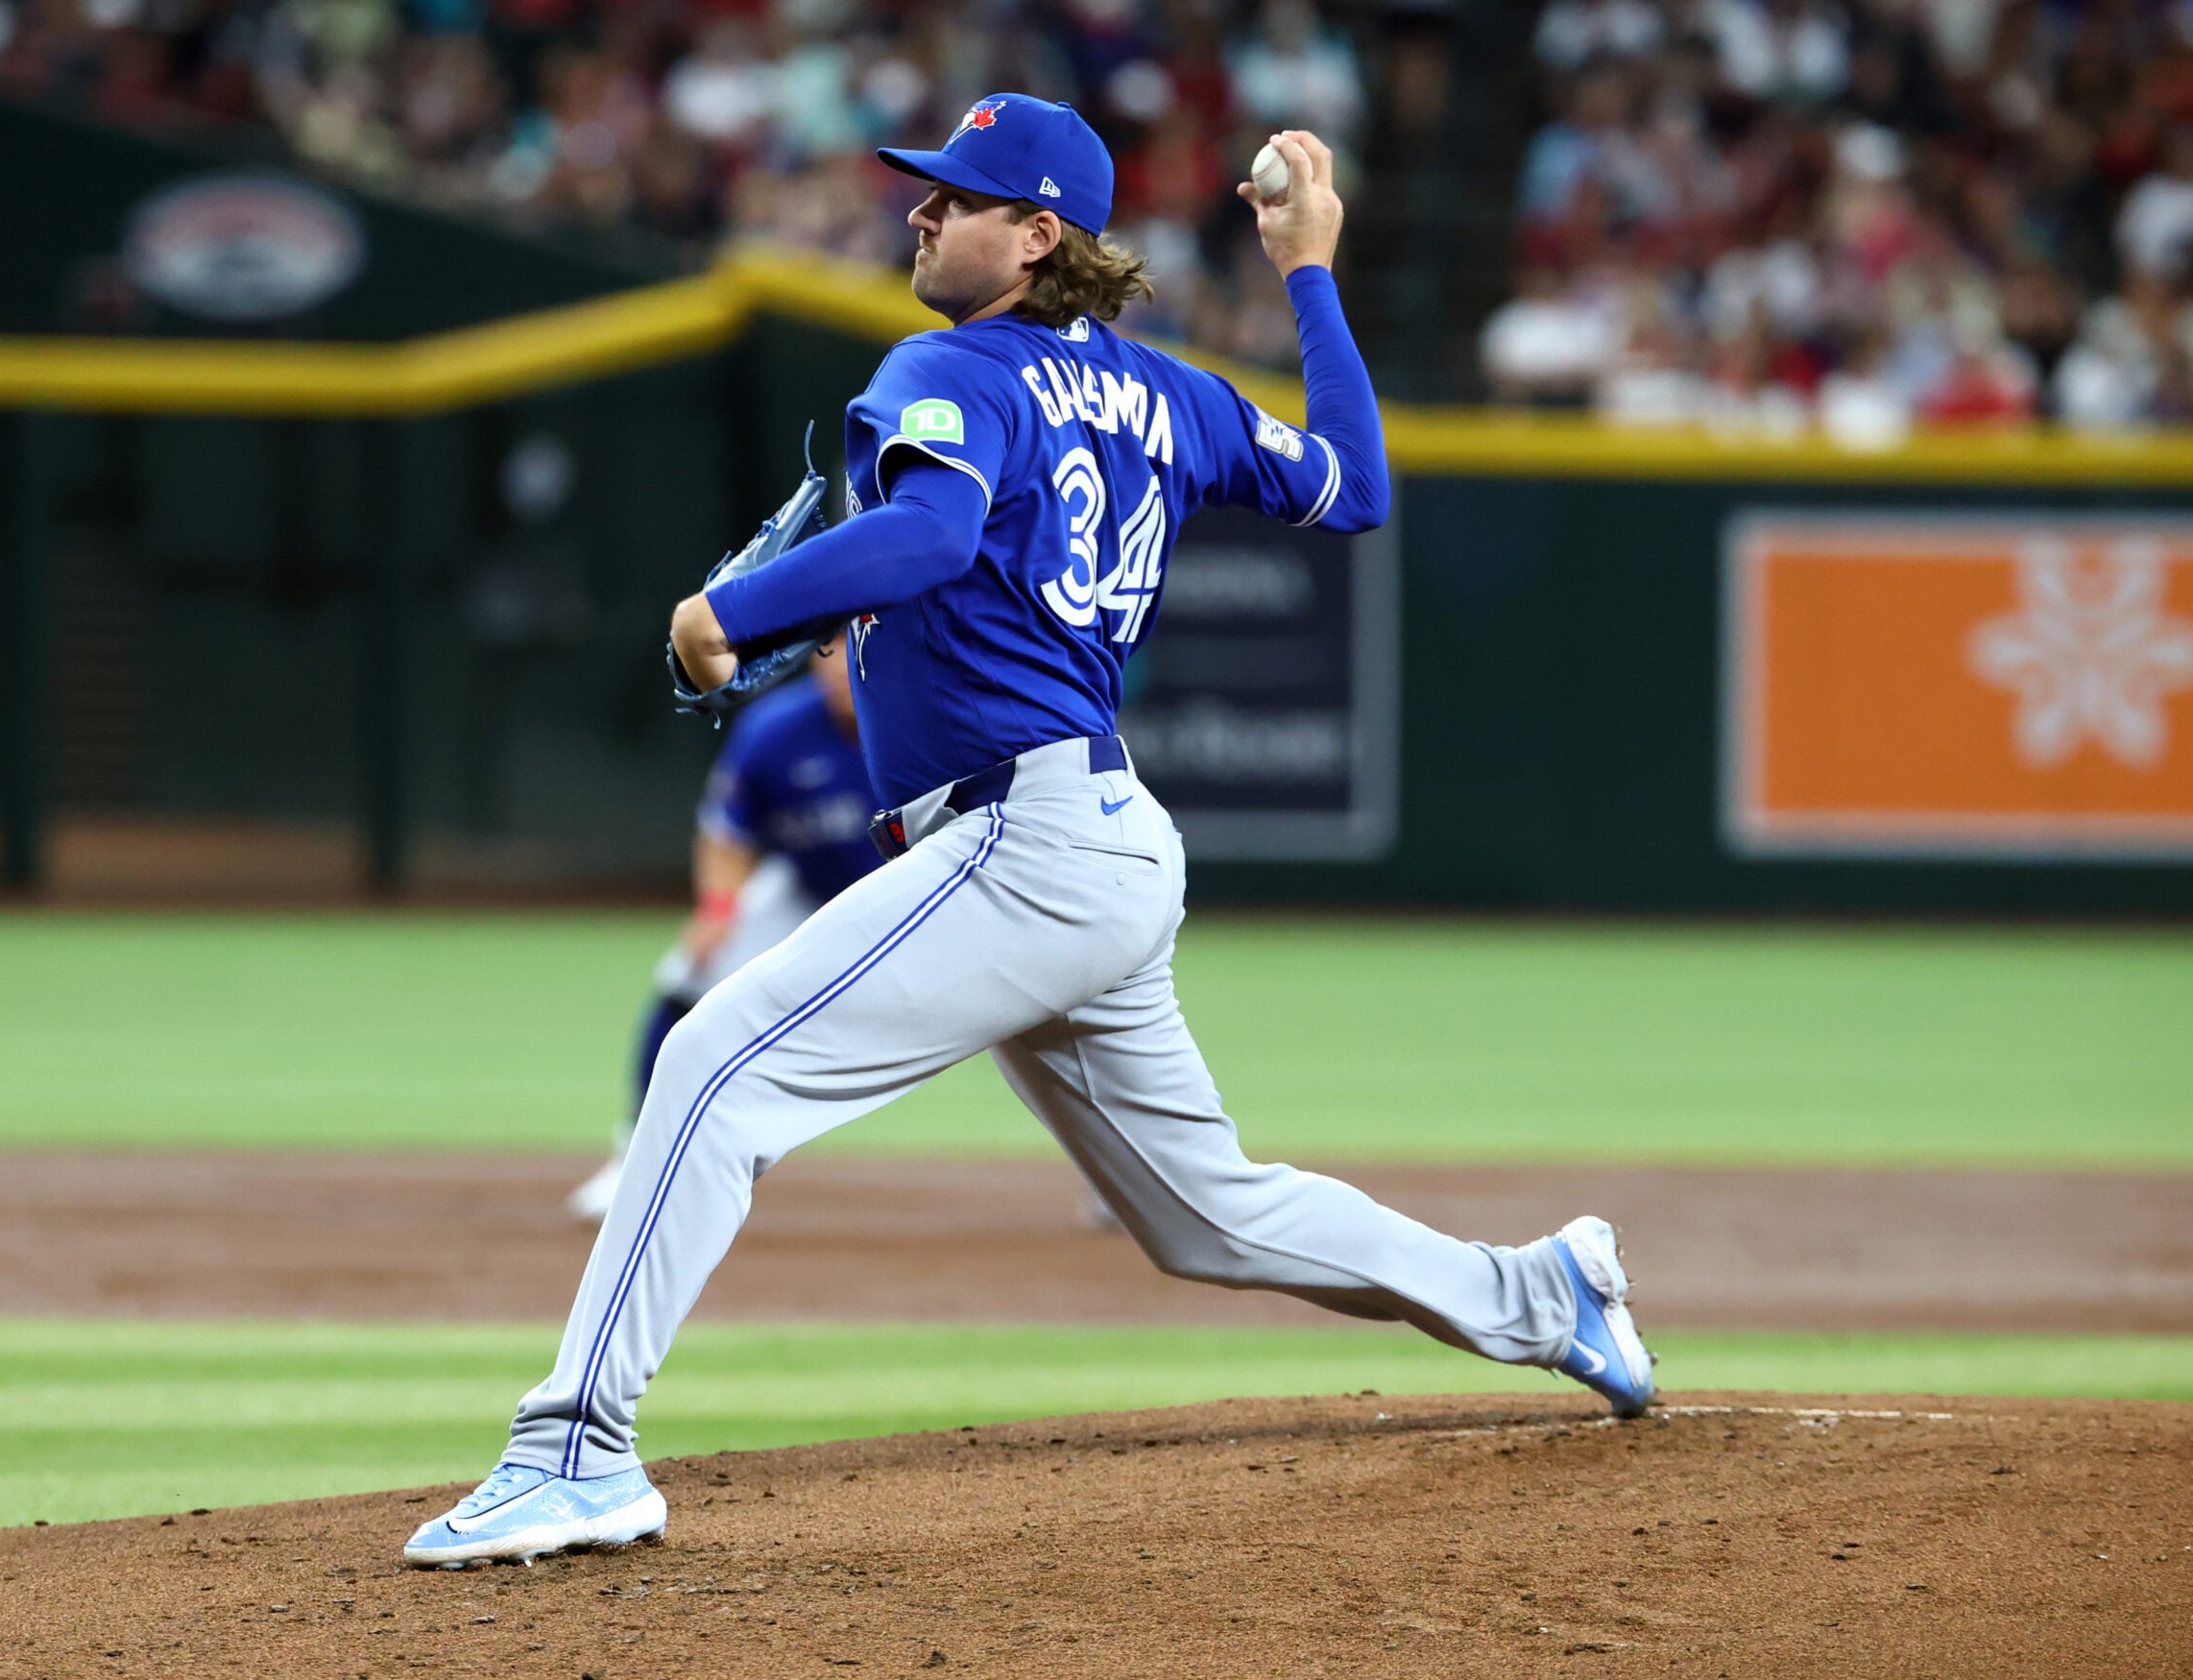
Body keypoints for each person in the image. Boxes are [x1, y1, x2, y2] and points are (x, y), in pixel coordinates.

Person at [404, 96, 1654, 1570]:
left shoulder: (952, 365)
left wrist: (726, 611)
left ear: (1037, 235)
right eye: (927, 193)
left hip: (1028, 840)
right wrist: (1310, 270)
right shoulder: (1169, 394)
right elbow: (1354, 484)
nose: (922, 214)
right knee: (1211, 1218)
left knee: (710, 1066)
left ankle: (574, 1453)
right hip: (1096, 842)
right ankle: (1540, 1294)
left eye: (957, 199)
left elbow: (931, 538)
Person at [564, 634, 878, 1225]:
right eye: (825, 652)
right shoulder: (776, 730)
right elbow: (726, 833)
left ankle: (1106, 1169)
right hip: (808, 891)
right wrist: (717, 909)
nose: (837, 669)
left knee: (1040, 1002)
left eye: (852, 650)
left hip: (918, 896)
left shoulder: (923, 720)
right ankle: (636, 1158)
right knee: (691, 976)